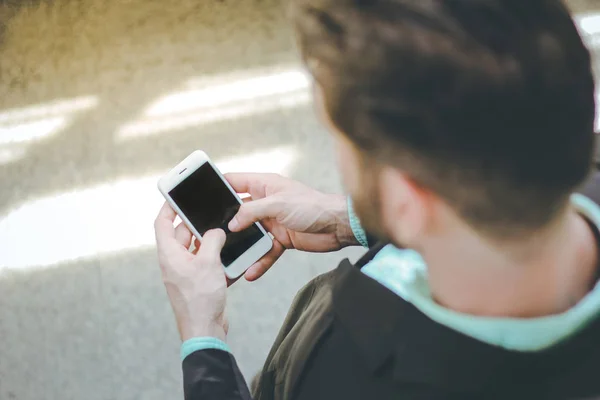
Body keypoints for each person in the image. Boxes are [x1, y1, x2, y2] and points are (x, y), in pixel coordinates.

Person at [154, 0, 600, 398]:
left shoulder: (339, 376)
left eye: (337, 138)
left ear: (406, 201)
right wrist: (347, 219)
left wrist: (203, 339)